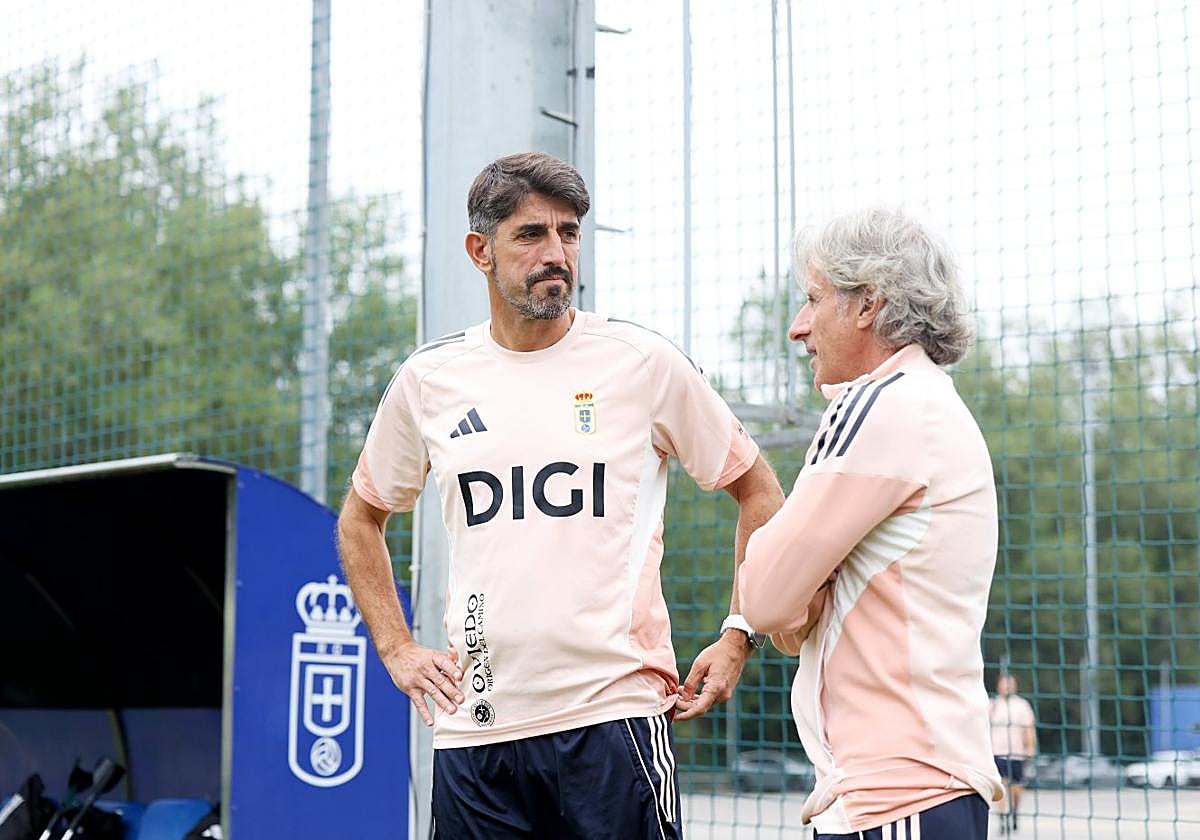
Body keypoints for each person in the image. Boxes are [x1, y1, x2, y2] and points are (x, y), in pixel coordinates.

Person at [337, 151, 784, 838]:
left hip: (612, 722)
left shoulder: (641, 363)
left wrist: (739, 632)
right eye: (531, 235)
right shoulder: (431, 380)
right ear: (479, 251)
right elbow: (361, 519)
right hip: (476, 730)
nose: (557, 254)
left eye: (569, 233)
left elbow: (758, 491)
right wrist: (396, 647)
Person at [737, 207, 1005, 839]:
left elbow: (769, 598)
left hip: (900, 796)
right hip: (913, 793)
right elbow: (789, 620)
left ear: (868, 305)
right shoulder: (922, 402)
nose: (798, 328)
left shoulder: (883, 405)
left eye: (813, 299)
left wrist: (787, 576)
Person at [989, 674, 1037, 833]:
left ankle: (1015, 811)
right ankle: (1003, 818)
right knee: (1001, 785)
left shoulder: (1022, 705)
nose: (1006, 687)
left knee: (1016, 788)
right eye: (1004, 684)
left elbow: (1029, 727)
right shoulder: (992, 705)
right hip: (997, 752)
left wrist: (1030, 746)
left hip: (1017, 753)